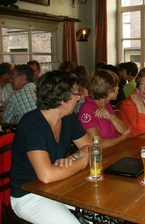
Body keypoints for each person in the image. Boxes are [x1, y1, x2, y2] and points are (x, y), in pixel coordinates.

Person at [10, 70, 92, 224]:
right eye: (76, 94)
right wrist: (81, 161)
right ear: (62, 99)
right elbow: (46, 175)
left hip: (58, 186)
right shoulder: (31, 124)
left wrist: (72, 157)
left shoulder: (68, 118)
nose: (79, 97)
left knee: (101, 213)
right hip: (28, 195)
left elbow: (90, 147)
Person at [78, 69, 130, 149]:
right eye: (116, 86)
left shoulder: (106, 104)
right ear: (108, 90)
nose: (118, 88)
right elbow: (97, 144)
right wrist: (122, 138)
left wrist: (111, 117)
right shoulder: (87, 109)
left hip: (112, 151)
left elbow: (125, 131)